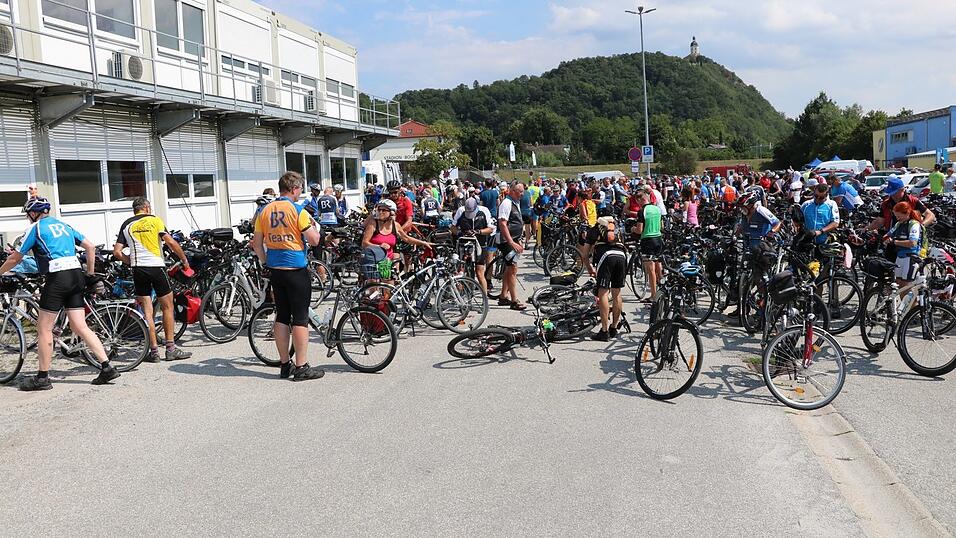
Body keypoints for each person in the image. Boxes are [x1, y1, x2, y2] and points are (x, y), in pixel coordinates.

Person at [0, 197, 120, 391]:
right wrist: (89, 274)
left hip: (57, 277)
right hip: (76, 275)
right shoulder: (64, 225)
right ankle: (107, 366)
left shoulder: (36, 228)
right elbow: (89, 246)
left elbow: (15, 257)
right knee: (79, 325)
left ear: (33, 213)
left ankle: (42, 378)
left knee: (44, 328)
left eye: (28, 214)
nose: (28, 217)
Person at [251, 172, 324, 382]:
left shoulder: (264, 211)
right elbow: (315, 240)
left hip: (276, 269)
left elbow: (257, 244)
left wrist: (265, 262)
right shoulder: (297, 210)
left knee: (282, 316)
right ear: (293, 188)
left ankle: (285, 365)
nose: (301, 192)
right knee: (300, 318)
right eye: (300, 189)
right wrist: (312, 227)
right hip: (295, 269)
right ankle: (301, 366)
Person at [113, 197, 192, 363]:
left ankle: (154, 351)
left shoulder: (127, 224)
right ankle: (170, 348)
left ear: (135, 210)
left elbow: (118, 252)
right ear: (147, 207)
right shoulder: (155, 220)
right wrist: (184, 260)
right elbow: (170, 242)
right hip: (156, 267)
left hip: (138, 269)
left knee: (147, 311)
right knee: (167, 306)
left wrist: (132, 261)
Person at [362, 199, 432, 269]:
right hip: (374, 259)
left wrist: (423, 243)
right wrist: (379, 246)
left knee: (394, 273)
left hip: (388, 260)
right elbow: (364, 243)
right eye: (379, 210)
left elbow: (406, 238)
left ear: (391, 213)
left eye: (383, 210)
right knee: (375, 279)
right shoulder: (373, 224)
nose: (380, 212)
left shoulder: (395, 225)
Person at [590, 216, 627, 342]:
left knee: (603, 292)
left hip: (606, 256)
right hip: (621, 256)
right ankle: (614, 327)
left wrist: (590, 268)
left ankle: (604, 331)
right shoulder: (617, 229)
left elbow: (584, 253)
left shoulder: (596, 228)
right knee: (616, 292)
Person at [865, 175, 936, 234]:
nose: (892, 195)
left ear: (902, 189)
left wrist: (921, 226)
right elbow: (880, 221)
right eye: (890, 192)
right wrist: (866, 229)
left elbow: (930, 215)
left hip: (911, 237)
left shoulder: (913, 201)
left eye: (895, 192)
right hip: (892, 236)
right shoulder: (886, 204)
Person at [451, 198, 494, 295]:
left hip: (480, 245)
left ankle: (484, 298)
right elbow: (452, 227)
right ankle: (459, 297)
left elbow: (490, 229)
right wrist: (460, 233)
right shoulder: (461, 211)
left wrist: (478, 232)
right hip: (464, 245)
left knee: (479, 272)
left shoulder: (484, 211)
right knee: (460, 271)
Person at [496, 181, 526, 310]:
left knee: (510, 268)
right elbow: (502, 224)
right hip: (506, 241)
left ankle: (503, 296)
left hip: (513, 239)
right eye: (520, 192)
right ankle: (514, 300)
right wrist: (511, 242)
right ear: (513, 191)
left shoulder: (515, 202)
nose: (522, 194)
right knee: (513, 268)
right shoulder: (506, 203)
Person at [630, 187, 663, 302]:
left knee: (650, 270)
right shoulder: (656, 209)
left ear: (640, 200)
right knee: (658, 265)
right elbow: (661, 226)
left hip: (648, 240)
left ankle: (653, 295)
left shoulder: (642, 211)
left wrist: (632, 228)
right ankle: (662, 289)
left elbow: (639, 230)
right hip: (658, 238)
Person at [884, 201, 924, 284]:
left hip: (910, 258)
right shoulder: (898, 224)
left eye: (899, 216)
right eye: (896, 216)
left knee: (905, 285)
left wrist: (895, 242)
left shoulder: (914, 224)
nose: (897, 218)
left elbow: (912, 243)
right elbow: (887, 236)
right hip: (899, 256)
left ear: (907, 213)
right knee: (898, 283)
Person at [520, 183, 533, 248]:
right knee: (528, 228)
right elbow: (531, 203)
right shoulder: (528, 193)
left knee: (521, 227)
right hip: (527, 212)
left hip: (520, 212)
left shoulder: (519, 193)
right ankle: (527, 242)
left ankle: (520, 240)